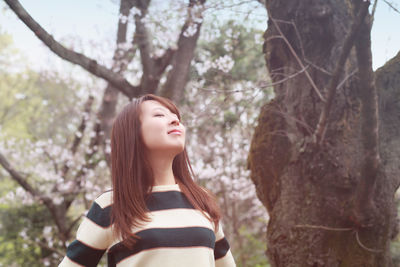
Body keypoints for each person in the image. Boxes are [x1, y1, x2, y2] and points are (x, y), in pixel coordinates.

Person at [59, 94, 236, 267]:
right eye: (159, 115)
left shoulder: (201, 200)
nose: (175, 121)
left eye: (177, 117)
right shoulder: (111, 206)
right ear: (132, 132)